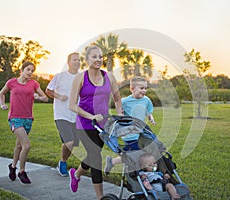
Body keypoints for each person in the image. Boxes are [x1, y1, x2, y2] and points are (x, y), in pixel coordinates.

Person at [68, 46, 123, 199]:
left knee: (94, 154)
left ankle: (77, 173)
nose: (98, 59)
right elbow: (72, 105)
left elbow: (117, 98)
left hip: (103, 125)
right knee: (96, 157)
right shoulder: (80, 78)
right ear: (87, 60)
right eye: (94, 57)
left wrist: (119, 114)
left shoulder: (109, 77)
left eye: (100, 56)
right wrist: (90, 116)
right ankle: (100, 197)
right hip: (85, 124)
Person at [0, 61, 48, 184]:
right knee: (26, 145)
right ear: (22, 70)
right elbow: (1, 93)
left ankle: (13, 167)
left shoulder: (34, 84)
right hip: (15, 118)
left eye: (32, 70)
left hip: (28, 119)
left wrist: (39, 97)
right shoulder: (12, 82)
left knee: (19, 145)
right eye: (28, 70)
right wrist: (2, 104)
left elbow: (46, 98)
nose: (30, 72)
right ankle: (22, 172)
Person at [104, 76, 156, 174]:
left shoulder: (146, 100)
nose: (144, 90)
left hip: (141, 132)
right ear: (132, 89)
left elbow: (148, 111)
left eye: (145, 88)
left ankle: (112, 161)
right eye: (141, 88)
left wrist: (151, 118)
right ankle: (139, 173)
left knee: (140, 154)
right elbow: (119, 110)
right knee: (135, 156)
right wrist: (121, 114)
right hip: (129, 134)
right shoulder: (124, 101)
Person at [46, 52, 81, 176]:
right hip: (61, 114)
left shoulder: (82, 77)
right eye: (75, 60)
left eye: (79, 60)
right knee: (70, 142)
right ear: (68, 62)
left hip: (75, 115)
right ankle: (63, 163)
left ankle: (62, 161)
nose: (77, 62)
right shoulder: (60, 76)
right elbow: (48, 90)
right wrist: (59, 96)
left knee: (74, 144)